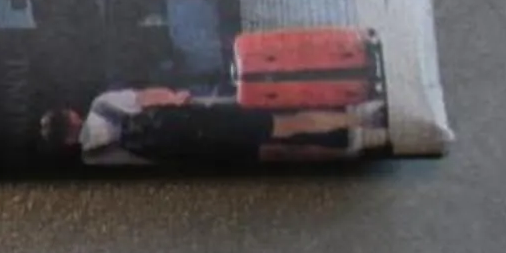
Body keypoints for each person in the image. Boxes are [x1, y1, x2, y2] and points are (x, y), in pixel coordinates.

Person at [42, 90, 389, 165]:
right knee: (286, 123)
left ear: (67, 143)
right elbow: (151, 97)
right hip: (201, 120)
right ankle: (363, 119)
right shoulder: (102, 105)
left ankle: (351, 154)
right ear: (71, 115)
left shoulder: (94, 161)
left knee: (278, 153)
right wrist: (180, 98)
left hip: (197, 154)